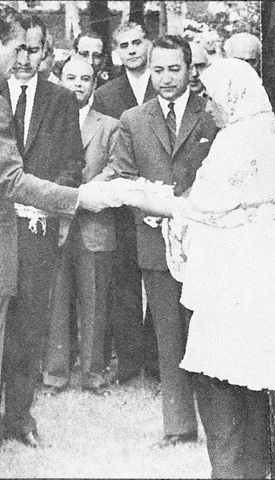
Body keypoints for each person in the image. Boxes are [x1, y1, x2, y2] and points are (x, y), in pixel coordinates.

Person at [119, 57, 275, 479]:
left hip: (233, 285)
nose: (210, 106)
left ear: (234, 97)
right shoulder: (259, 133)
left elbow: (206, 208)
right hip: (247, 282)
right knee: (247, 387)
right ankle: (251, 471)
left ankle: (231, 473)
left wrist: (149, 199)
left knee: (219, 385)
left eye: (214, 97)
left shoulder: (239, 139)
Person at [0, 5, 120, 448]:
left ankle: (19, 416)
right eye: (20, 49)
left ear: (46, 52)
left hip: (36, 229)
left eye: (34, 50)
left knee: (29, 326)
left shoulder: (60, 99)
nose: (26, 59)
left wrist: (48, 206)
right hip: (2, 226)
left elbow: (73, 162)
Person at [99, 35, 217, 447]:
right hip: (154, 242)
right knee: (168, 336)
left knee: (206, 331)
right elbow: (123, 176)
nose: (166, 78)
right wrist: (150, 202)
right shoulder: (133, 119)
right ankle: (179, 427)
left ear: (190, 70)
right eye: (159, 69)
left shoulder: (212, 114)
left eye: (175, 69)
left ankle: (220, 425)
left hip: (207, 244)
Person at [42, 57, 118, 395]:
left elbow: (117, 168)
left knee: (94, 301)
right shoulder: (50, 120)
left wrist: (84, 192)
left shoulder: (110, 125)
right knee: (56, 301)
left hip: (94, 225)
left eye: (85, 79)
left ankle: (92, 374)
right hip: (54, 223)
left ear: (94, 83)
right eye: (70, 77)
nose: (78, 84)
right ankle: (55, 373)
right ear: (60, 79)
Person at [93, 22, 158, 384]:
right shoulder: (106, 93)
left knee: (161, 280)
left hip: (159, 195)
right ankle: (131, 363)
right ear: (116, 51)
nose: (131, 50)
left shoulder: (163, 82)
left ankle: (158, 359)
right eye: (124, 45)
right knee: (126, 283)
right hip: (123, 200)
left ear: (148, 45)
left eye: (137, 43)